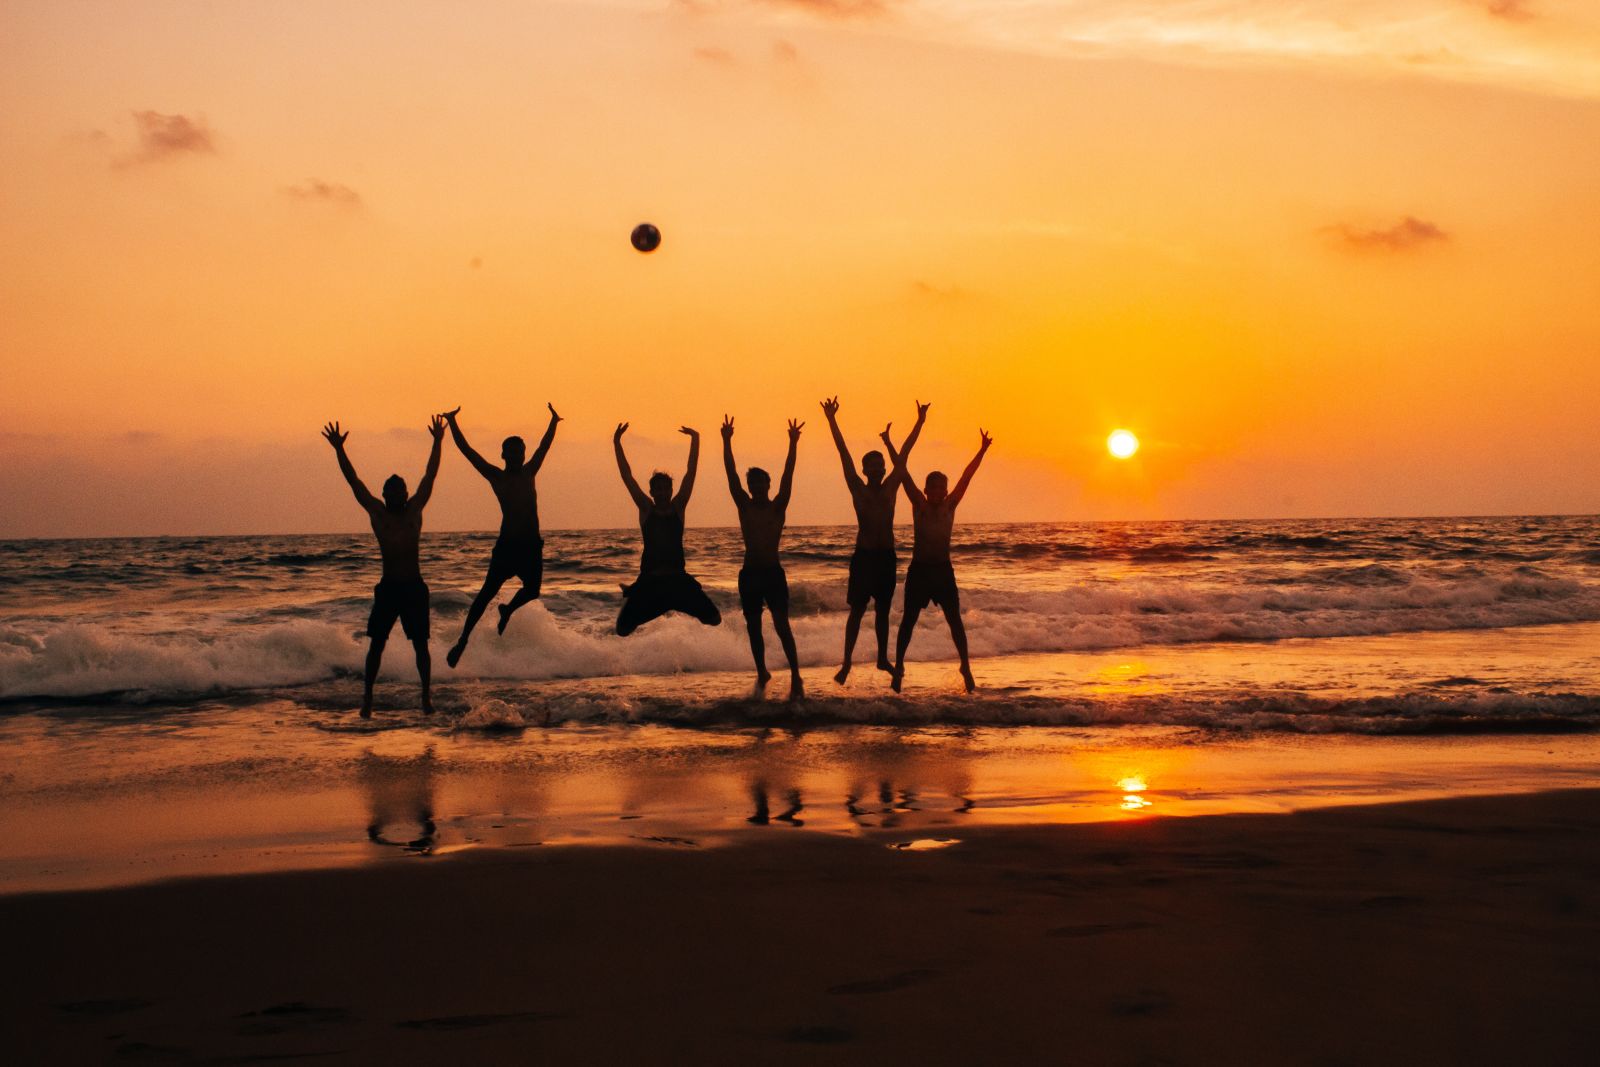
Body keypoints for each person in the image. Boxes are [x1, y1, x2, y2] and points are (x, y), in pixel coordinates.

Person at [321, 415, 444, 718]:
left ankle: (426, 698)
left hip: (414, 586)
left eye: (401, 489)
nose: (398, 494)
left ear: (405, 493)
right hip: (389, 587)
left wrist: (438, 441)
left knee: (420, 645)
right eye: (392, 490)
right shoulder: (378, 513)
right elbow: (354, 482)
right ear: (385, 494)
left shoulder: (415, 511)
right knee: (376, 644)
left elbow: (430, 476)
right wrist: (339, 450)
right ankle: (368, 699)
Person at [440, 404, 561, 668]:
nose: (518, 456)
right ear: (503, 455)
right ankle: (462, 640)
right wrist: (452, 423)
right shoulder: (496, 476)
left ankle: (507, 610)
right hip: (507, 547)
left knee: (532, 591)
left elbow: (544, 447)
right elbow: (468, 452)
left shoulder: (530, 472)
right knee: (484, 595)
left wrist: (553, 422)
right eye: (513, 452)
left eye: (521, 452)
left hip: (530, 546)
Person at [820, 397, 927, 684]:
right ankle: (847, 663)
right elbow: (842, 452)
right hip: (864, 558)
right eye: (874, 466)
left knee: (883, 611)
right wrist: (832, 420)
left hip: (886, 559)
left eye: (882, 465)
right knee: (857, 610)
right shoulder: (857, 488)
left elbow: (904, 454)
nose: (880, 469)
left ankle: (882, 658)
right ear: (865, 470)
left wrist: (920, 421)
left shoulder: (892, 487)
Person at [887, 425, 993, 694]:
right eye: (932, 487)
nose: (936, 491)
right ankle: (899, 667)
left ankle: (966, 666)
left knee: (955, 621)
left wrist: (982, 449)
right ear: (925, 490)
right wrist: (889, 443)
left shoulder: (949, 506)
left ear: (946, 491)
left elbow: (967, 477)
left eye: (941, 487)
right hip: (920, 571)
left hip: (943, 571)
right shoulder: (919, 505)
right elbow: (902, 472)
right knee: (908, 621)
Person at [722, 414, 804, 699]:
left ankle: (796, 675)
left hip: (772, 573)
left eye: (761, 483)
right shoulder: (744, 506)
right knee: (753, 627)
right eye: (752, 483)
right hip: (750, 574)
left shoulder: (778, 507)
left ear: (768, 485)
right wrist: (726, 441)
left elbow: (788, 473)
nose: (757, 487)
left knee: (782, 626)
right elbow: (731, 476)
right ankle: (761, 672)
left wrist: (793, 443)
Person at [613, 422, 723, 635]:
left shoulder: (678, 507)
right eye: (658, 489)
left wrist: (696, 438)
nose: (663, 493)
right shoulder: (646, 509)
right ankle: (652, 602)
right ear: (652, 492)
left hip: (678, 580)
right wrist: (617, 442)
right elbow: (627, 477)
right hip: (651, 580)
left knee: (715, 619)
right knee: (623, 630)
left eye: (666, 489)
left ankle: (666, 602)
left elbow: (691, 472)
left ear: (672, 490)